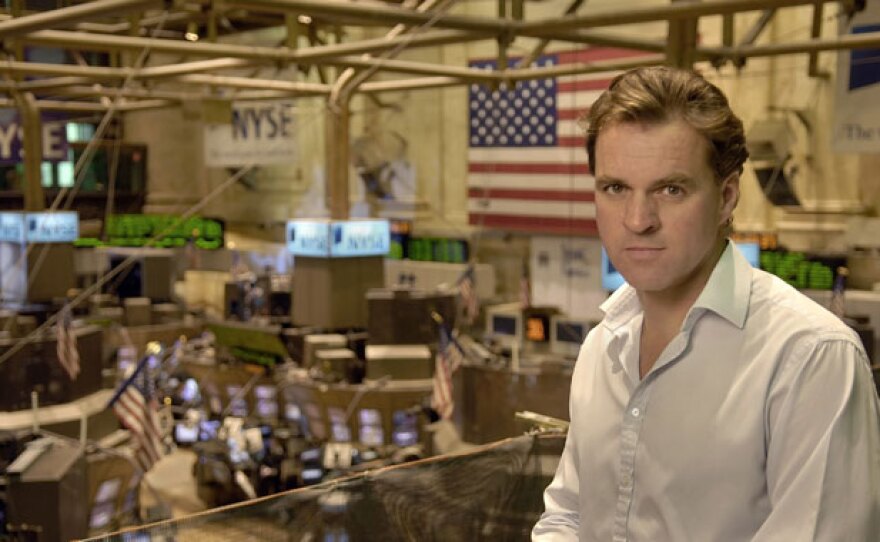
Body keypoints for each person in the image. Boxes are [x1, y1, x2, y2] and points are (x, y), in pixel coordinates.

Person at [532, 66, 880, 541]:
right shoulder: (602, 348)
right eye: (615, 188)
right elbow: (568, 515)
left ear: (726, 197)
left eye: (670, 189)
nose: (637, 220)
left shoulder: (809, 359)